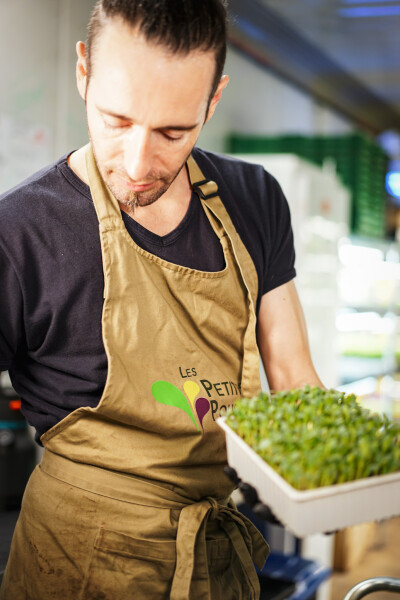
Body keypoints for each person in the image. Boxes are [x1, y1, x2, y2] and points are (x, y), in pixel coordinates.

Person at [0, 0, 323, 598]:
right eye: (116, 120)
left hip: (218, 562)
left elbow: (296, 377)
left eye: (174, 131)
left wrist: (342, 477)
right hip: (75, 567)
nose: (139, 163)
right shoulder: (20, 233)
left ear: (213, 100)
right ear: (83, 73)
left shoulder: (254, 200)